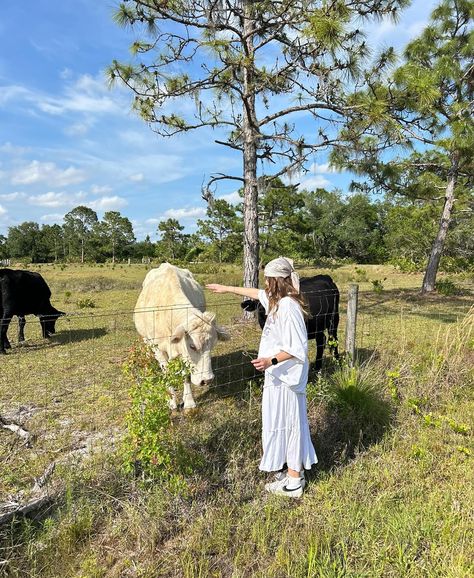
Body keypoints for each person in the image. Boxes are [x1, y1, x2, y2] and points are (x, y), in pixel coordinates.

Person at [206, 257, 317, 498]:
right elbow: (255, 293)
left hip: (287, 379)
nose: (265, 283)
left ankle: (295, 482)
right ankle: (289, 472)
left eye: (268, 279)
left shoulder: (288, 307)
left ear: (276, 280)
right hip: (277, 378)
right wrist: (225, 288)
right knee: (279, 423)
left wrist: (270, 360)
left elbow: (297, 348)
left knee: (290, 424)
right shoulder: (276, 300)